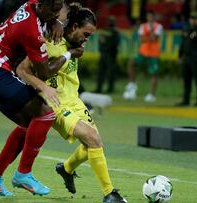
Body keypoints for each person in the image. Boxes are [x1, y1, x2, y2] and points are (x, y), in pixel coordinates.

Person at [16, 4, 127, 202]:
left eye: (90, 36)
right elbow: (23, 70)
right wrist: (41, 88)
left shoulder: (74, 44)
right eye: (85, 34)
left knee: (93, 144)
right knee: (93, 140)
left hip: (75, 101)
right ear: (74, 26)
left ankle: (66, 169)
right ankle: (110, 194)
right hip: (55, 104)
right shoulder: (50, 40)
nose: (86, 39)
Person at [0, 0, 74, 196]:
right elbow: (45, 72)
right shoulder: (31, 31)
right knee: (46, 114)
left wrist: (55, 22)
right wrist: (69, 54)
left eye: (58, 9)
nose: (56, 13)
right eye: (53, 9)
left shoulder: (30, 5)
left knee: (30, 125)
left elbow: (44, 17)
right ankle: (23, 174)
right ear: (41, 4)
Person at [123, 10, 163, 102]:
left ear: (154, 17)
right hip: (143, 52)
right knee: (131, 63)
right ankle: (132, 84)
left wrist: (147, 37)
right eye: (148, 16)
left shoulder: (159, 26)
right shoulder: (143, 26)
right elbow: (142, 39)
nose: (150, 18)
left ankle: (152, 94)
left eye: (151, 16)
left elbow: (155, 38)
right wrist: (150, 37)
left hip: (154, 53)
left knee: (154, 73)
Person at [176, 12, 197, 107]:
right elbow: (183, 44)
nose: (193, 20)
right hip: (187, 57)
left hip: (196, 58)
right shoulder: (187, 29)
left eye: (195, 19)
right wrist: (180, 56)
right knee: (186, 80)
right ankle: (185, 100)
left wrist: (188, 33)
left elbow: (194, 36)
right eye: (192, 19)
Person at [95, 16, 120, 94]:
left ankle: (108, 89)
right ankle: (100, 88)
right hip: (107, 54)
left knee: (108, 72)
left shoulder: (112, 32)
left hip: (110, 55)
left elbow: (113, 43)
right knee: (102, 72)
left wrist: (104, 46)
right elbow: (101, 41)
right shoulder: (113, 32)